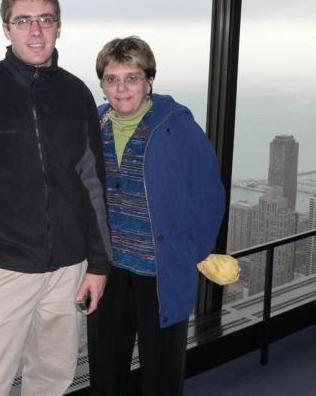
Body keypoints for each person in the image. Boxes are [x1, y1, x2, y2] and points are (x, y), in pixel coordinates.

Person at [0, 0, 111, 396]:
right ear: (6, 28)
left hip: (68, 268)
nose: (36, 31)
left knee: (53, 378)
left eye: (45, 20)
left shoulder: (75, 94)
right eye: (24, 21)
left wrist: (99, 264)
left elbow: (92, 185)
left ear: (58, 27)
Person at [87, 36, 225, 396]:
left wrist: (189, 253)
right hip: (109, 271)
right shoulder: (95, 126)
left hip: (160, 274)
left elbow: (209, 194)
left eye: (131, 77)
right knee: (105, 372)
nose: (121, 88)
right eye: (111, 78)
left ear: (149, 81)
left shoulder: (175, 126)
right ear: (101, 84)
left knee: (161, 377)